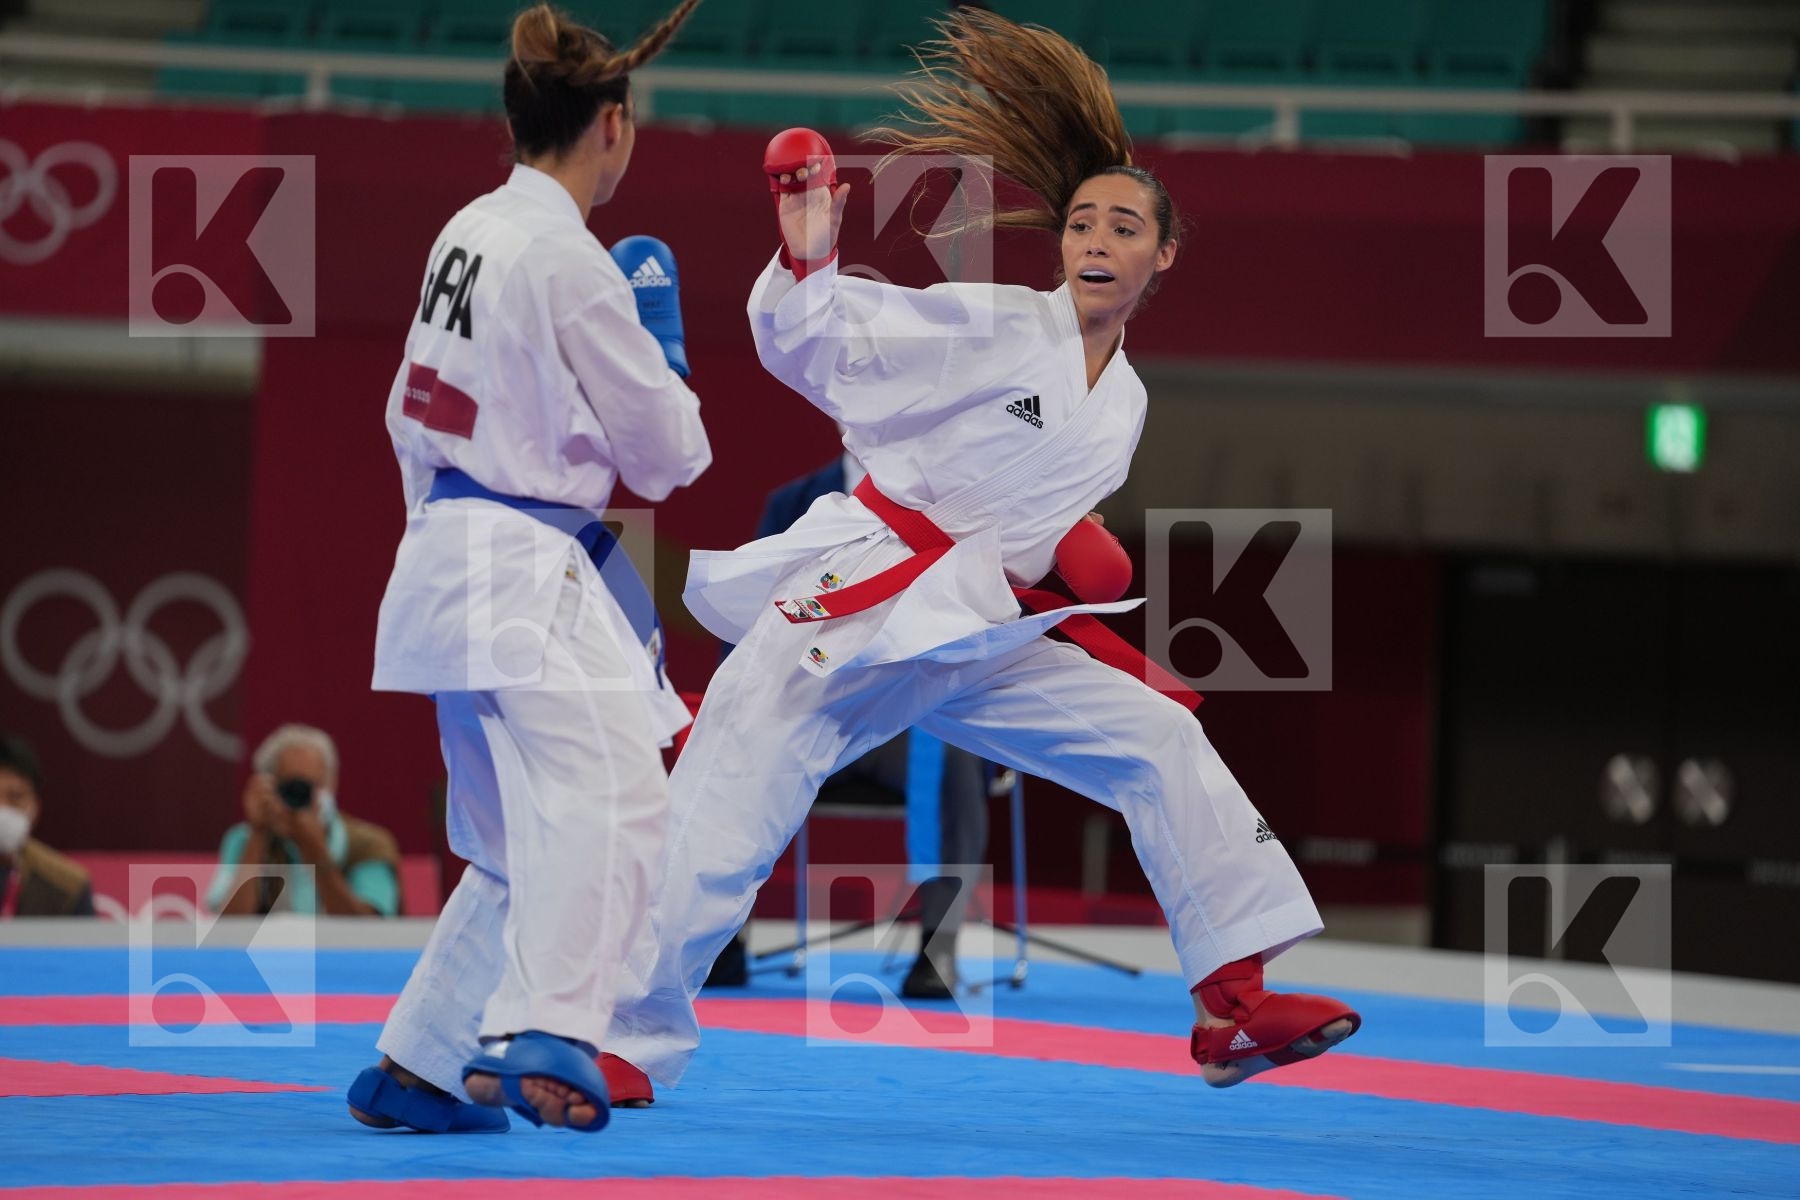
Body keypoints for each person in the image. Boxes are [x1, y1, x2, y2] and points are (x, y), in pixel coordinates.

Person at [602, 9, 1358, 1102]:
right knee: (727, 800)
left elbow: (1038, 534)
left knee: (1157, 739)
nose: (1098, 242)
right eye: (1083, 224)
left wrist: (1091, 609)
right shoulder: (999, 326)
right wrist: (809, 251)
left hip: (976, 631)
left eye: (1123, 229)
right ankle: (626, 1036)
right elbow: (836, 348)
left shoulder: (1127, 406)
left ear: (1164, 255)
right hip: (863, 603)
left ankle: (1232, 1003)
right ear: (1060, 242)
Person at [345, 0, 710, 1135]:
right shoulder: (571, 259)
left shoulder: (466, 230)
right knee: (618, 799)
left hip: (447, 551)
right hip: (523, 564)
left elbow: (406, 414)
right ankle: (545, 1029)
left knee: (516, 843)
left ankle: (418, 1067)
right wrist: (667, 356)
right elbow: (671, 455)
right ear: (614, 124)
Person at [706, 447, 990, 999]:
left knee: (955, 756)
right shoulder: (792, 503)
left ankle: (938, 948)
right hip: (804, 705)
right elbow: (748, 612)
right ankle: (720, 940)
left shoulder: (955, 499)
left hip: (907, 725)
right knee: (734, 745)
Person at [207, 724, 400, 918]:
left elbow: (371, 930)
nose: (302, 797)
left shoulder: (369, 844)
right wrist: (258, 835)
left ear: (332, 784)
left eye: (312, 786)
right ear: (270, 786)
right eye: (291, 786)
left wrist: (315, 851)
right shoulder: (244, 839)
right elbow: (228, 928)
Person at [0, 734, 94, 918]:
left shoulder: (68, 886)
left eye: (15, 797)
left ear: (35, 806)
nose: (2, 808)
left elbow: (85, 946)